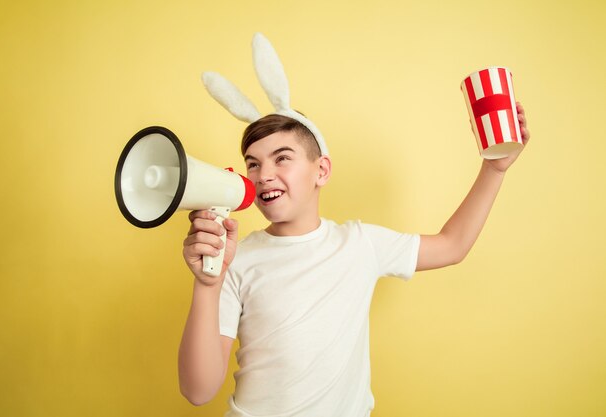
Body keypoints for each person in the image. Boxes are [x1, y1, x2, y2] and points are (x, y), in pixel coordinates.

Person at [177, 101, 530, 416]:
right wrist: (208, 284)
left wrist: (494, 170)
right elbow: (199, 391)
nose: (263, 174)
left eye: (282, 157)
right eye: (252, 164)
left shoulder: (361, 243)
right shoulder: (234, 257)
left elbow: (452, 245)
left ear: (322, 171)